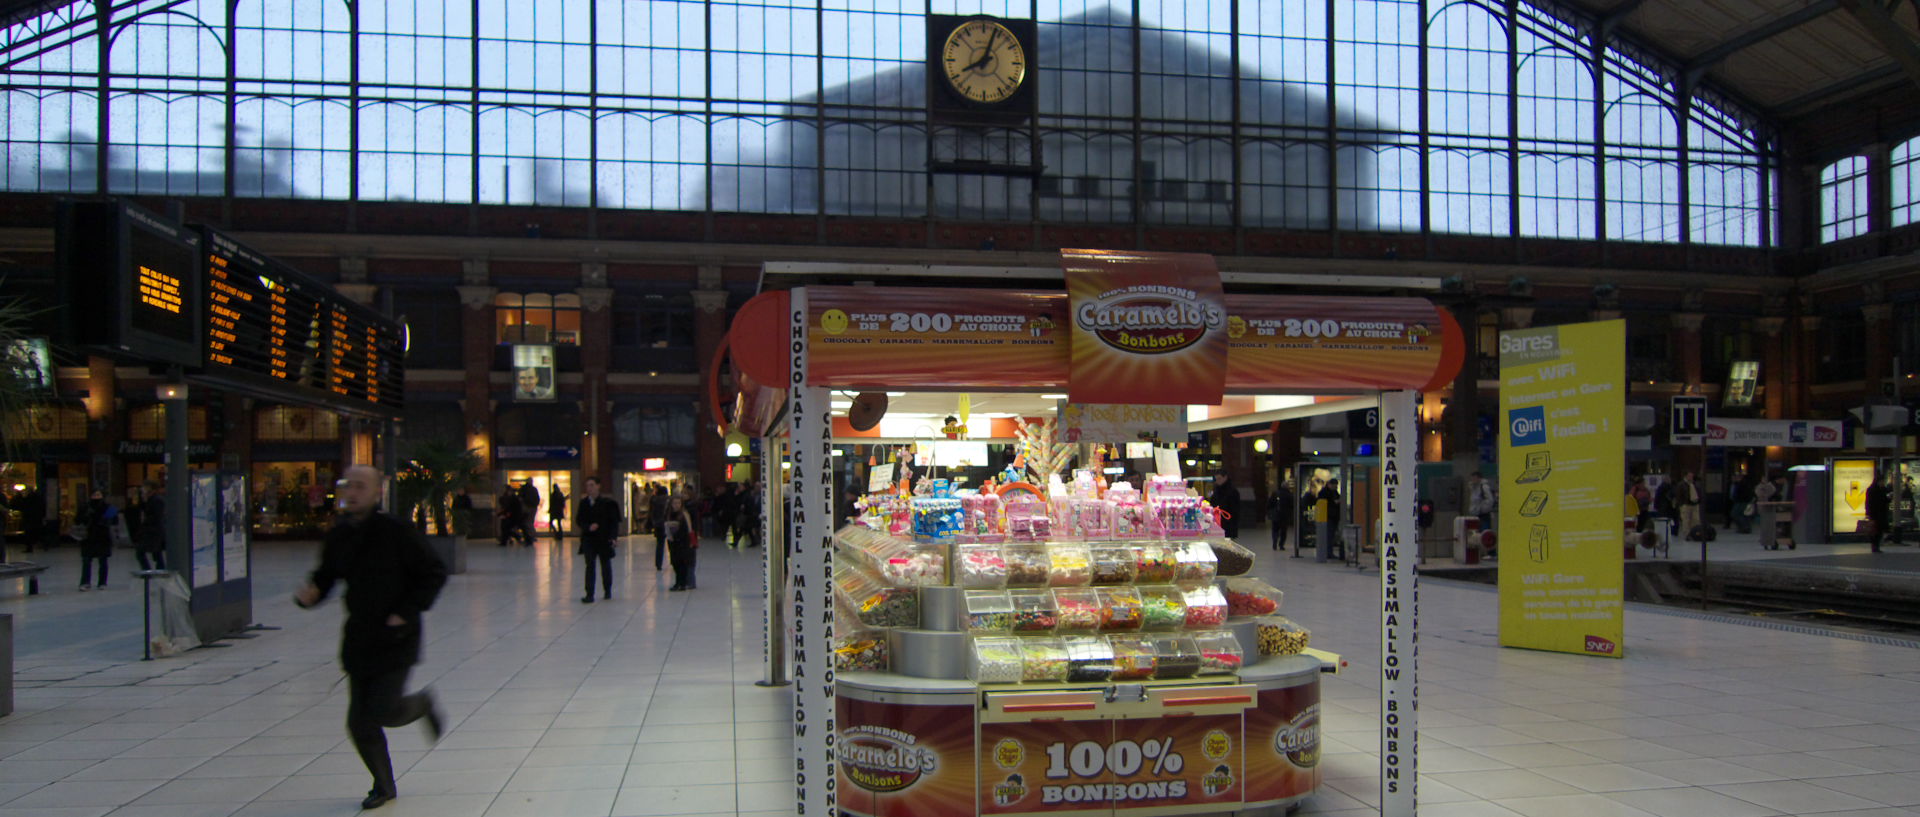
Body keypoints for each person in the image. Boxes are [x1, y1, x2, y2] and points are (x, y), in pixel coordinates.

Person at [293, 465, 448, 811]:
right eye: (348, 485)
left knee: (383, 709)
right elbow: (326, 576)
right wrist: (312, 593)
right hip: (360, 638)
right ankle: (383, 784)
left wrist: (407, 610)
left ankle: (421, 704)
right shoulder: (340, 535)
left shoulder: (396, 531)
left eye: (361, 486)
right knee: (358, 722)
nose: (352, 492)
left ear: (377, 492)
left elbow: (433, 572)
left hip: (397, 636)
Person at [576, 477, 619, 603]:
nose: (589, 488)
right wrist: (588, 527)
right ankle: (589, 593)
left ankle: (607, 590)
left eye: (592, 485)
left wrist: (613, 537)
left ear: (598, 486)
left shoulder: (608, 503)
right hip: (589, 539)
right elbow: (579, 520)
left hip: (603, 538)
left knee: (605, 564)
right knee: (590, 565)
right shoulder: (583, 503)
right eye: (587, 486)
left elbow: (613, 522)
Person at [78, 489, 114, 590]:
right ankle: (85, 582)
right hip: (88, 537)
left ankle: (102, 582)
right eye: (94, 495)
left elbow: (112, 521)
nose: (96, 497)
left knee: (103, 561)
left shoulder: (108, 507)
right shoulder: (85, 507)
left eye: (98, 495)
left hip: (102, 537)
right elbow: (78, 519)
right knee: (86, 561)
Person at [665, 495, 697, 591]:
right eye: (674, 503)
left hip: (683, 541)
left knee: (682, 563)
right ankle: (678, 582)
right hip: (673, 542)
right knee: (675, 562)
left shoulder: (684, 514)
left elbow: (689, 528)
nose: (676, 505)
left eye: (678, 503)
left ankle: (682, 583)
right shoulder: (669, 514)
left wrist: (691, 541)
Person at [135, 480, 166, 571]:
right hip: (150, 530)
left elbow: (156, 516)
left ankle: (149, 570)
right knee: (156, 552)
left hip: (153, 531)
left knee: (142, 551)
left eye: (144, 487)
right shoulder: (149, 499)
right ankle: (159, 569)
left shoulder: (157, 500)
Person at [1267, 476, 1295, 552]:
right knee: (1283, 531)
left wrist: (1270, 511)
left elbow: (1269, 504)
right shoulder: (1289, 495)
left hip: (1276, 515)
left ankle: (1275, 541)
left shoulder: (1275, 493)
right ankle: (1281, 545)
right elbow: (1292, 505)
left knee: (1275, 529)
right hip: (1285, 516)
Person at [1867, 470, 1892, 553]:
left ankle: (1876, 546)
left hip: (1879, 513)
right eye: (1882, 481)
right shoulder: (1873, 490)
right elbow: (1870, 502)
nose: (1883, 483)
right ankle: (1875, 546)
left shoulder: (1880, 489)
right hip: (1876, 514)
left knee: (1879, 530)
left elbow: (1884, 500)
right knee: (1876, 530)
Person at [1677, 472, 1703, 540]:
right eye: (1690, 476)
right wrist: (1681, 504)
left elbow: (1699, 492)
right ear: (1686, 476)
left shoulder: (1695, 484)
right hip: (1686, 504)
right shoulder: (1681, 484)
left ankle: (1695, 533)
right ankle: (1687, 534)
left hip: (1695, 504)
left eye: (1692, 476)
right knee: (1686, 520)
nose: (1691, 477)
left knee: (1696, 519)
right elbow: (1679, 495)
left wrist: (1699, 500)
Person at [649, 486, 669, 571]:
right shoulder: (668, 500)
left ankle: (658, 564)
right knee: (672, 543)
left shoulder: (653, 500)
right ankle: (673, 562)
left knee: (659, 545)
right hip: (667, 523)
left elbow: (651, 512)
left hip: (658, 524)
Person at [517, 480, 541, 544]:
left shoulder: (523, 489)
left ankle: (528, 536)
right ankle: (531, 536)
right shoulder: (534, 489)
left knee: (526, 522)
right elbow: (537, 498)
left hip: (526, 507)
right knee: (530, 522)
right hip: (533, 507)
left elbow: (519, 498)